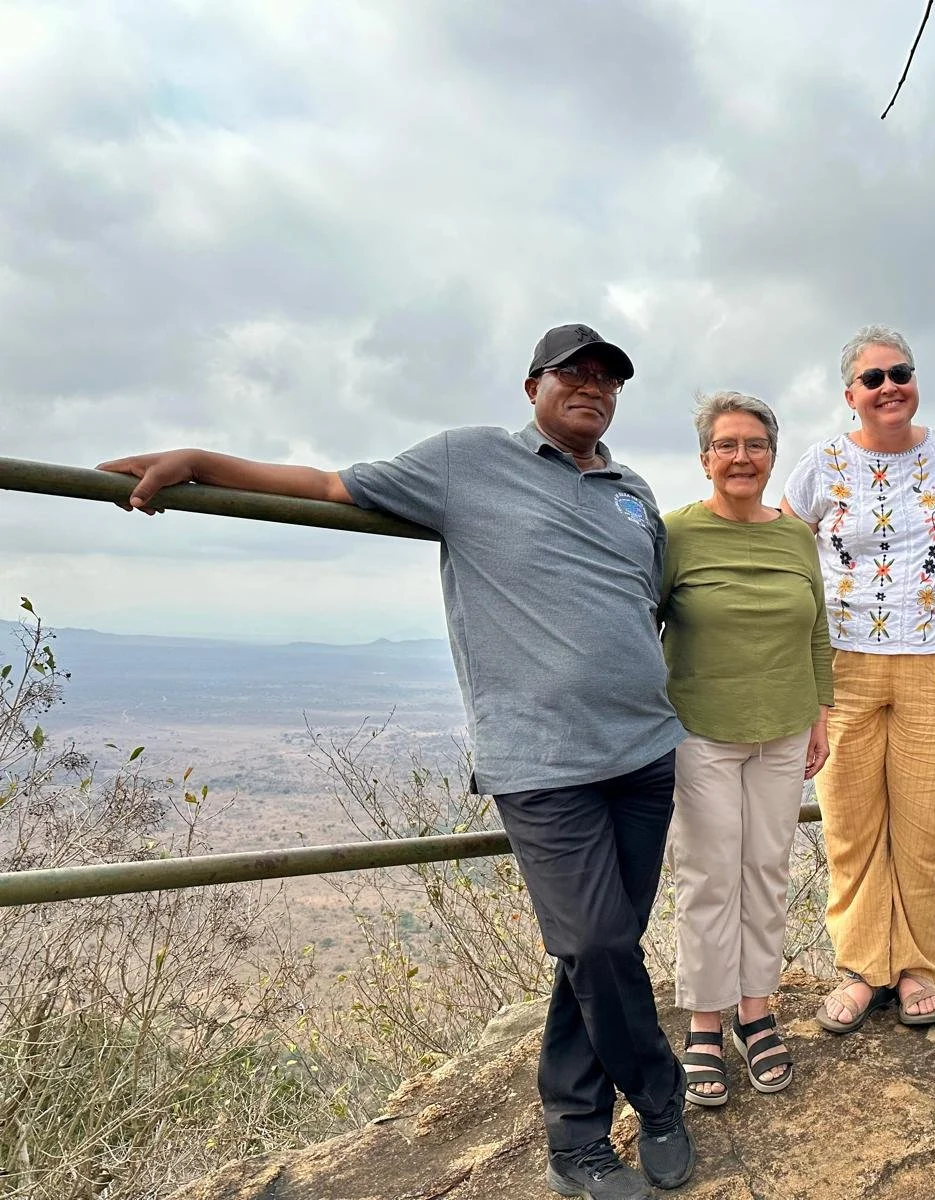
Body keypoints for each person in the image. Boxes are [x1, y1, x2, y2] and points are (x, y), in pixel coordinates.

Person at [97, 324, 694, 1200]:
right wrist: (199, 460)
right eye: (574, 372)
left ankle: (577, 1139)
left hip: (643, 751)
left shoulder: (633, 492)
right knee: (597, 942)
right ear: (532, 386)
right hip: (540, 760)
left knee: (599, 955)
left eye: (608, 378)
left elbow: (646, 602)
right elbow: (327, 485)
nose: (593, 387)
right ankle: (659, 1099)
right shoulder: (467, 462)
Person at [780, 324, 935, 1033]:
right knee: (850, 823)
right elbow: (781, 543)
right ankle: (863, 967)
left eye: (900, 373)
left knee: (928, 825)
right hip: (842, 664)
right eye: (873, 378)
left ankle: (917, 968)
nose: (889, 386)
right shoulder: (822, 463)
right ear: (851, 395)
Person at [658, 391, 832, 1106]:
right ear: (705, 459)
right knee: (708, 875)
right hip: (701, 729)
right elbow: (642, 622)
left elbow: (817, 629)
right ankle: (705, 1018)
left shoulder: (796, 538)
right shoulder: (675, 534)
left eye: (755, 445)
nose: (741, 457)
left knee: (766, 869)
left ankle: (755, 1010)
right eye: (726, 445)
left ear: (771, 456)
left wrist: (821, 712)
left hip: (785, 728)